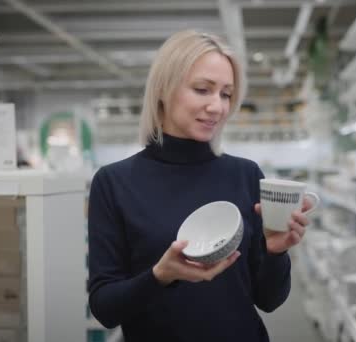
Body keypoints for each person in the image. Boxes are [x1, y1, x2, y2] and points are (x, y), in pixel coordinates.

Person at [87, 29, 313, 342]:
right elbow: (104, 308)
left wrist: (276, 252)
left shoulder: (246, 175)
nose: (217, 107)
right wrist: (160, 276)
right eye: (203, 89)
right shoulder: (114, 183)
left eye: (226, 94)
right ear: (164, 89)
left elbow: (269, 300)